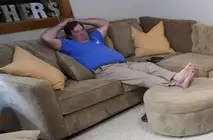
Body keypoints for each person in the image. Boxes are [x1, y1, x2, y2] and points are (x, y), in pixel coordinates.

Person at [40, 18, 195, 88]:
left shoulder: (94, 37)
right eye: (77, 32)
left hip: (123, 63)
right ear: (69, 35)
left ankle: (176, 77)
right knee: (144, 78)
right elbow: (46, 38)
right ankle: (176, 85)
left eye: (82, 30)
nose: (82, 33)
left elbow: (104, 23)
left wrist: (81, 21)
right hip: (106, 70)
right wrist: (62, 24)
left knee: (150, 67)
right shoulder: (68, 44)